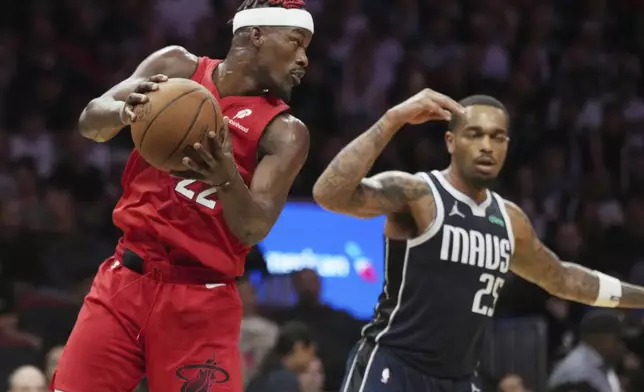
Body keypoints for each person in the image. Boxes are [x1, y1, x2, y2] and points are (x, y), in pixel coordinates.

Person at [52, 0, 313, 391]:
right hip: (127, 278)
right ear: (256, 35)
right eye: (296, 42)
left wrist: (225, 173)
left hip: (202, 299)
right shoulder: (176, 67)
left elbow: (253, 228)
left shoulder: (285, 132)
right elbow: (91, 121)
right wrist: (128, 110)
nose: (304, 59)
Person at [312, 91, 644, 392]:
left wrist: (641, 298)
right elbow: (328, 194)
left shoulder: (511, 220)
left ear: (507, 146)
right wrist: (393, 119)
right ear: (450, 141)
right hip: (394, 368)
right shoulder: (418, 193)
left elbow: (564, 279)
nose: (487, 145)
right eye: (474, 134)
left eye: (497, 137)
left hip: (458, 379)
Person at [549, 310, 627, 392]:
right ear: (601, 338)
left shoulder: (600, 364)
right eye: (617, 340)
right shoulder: (578, 369)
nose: (621, 346)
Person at [245, 321, 317, 392]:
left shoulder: (263, 375)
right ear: (298, 348)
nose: (311, 361)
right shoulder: (285, 381)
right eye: (311, 354)